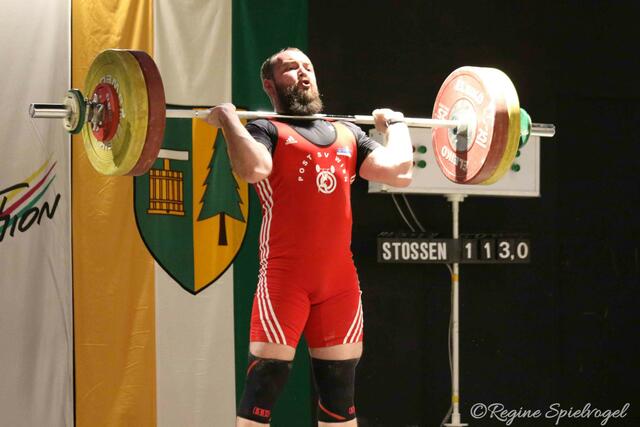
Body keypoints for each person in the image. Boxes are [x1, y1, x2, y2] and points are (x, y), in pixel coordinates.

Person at [205, 47, 413, 426]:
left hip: (339, 284)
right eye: (290, 68)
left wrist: (395, 126)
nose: (303, 73)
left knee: (339, 399)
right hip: (285, 280)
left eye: (308, 67)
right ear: (270, 85)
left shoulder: (348, 133)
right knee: (262, 388)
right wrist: (229, 121)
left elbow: (399, 171)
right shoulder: (266, 129)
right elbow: (253, 169)